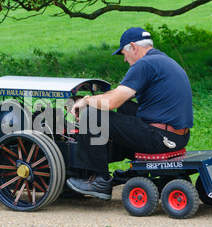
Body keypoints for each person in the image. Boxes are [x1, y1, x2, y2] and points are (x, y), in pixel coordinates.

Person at [66, 27, 194, 201]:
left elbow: (111, 102)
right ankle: (124, 166)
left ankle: (100, 180)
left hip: (160, 139)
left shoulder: (144, 64)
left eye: (124, 54)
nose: (125, 60)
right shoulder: (162, 60)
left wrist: (86, 100)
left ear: (133, 47)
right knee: (125, 107)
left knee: (91, 115)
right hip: (177, 137)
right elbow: (119, 96)